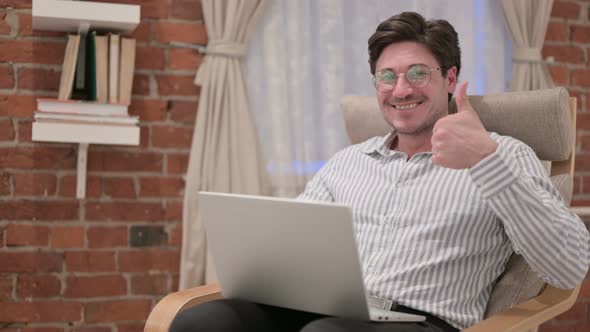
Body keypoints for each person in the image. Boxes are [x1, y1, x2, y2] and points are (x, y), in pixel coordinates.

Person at [170, 11, 590, 332]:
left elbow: (569, 267)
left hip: (421, 321)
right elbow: (292, 251)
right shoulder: (347, 162)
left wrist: (485, 161)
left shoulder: (503, 154)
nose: (401, 89)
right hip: (327, 312)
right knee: (203, 322)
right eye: (387, 76)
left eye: (418, 74)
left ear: (450, 78)